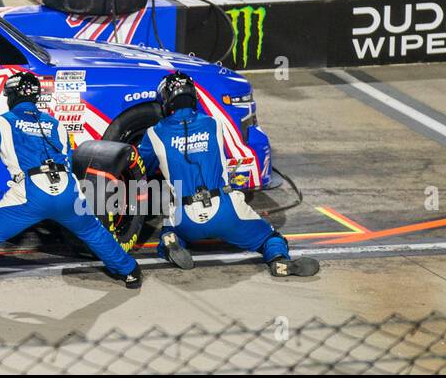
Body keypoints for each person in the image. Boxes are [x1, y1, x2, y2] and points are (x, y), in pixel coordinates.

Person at [0, 72, 141, 316]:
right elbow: (68, 159)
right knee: (92, 231)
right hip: (67, 188)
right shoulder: (56, 125)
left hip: (31, 191)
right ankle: (130, 271)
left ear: (11, 96)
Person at [136, 72, 319, 278]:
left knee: (169, 225)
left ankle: (170, 241)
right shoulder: (215, 124)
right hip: (226, 209)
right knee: (271, 238)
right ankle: (279, 260)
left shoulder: (153, 133)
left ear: (166, 101)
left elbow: (143, 168)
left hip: (185, 216)